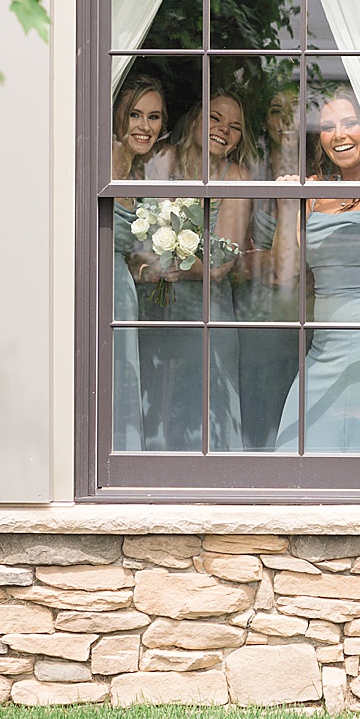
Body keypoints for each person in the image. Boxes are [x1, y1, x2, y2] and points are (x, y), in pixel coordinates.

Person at [272, 86, 360, 453]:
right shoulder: (313, 193)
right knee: (294, 451)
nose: (339, 135)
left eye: (350, 123)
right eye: (327, 126)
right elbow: (284, 273)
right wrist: (287, 206)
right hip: (323, 347)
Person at [136, 90, 257, 451]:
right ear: (195, 120)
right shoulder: (162, 158)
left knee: (207, 405)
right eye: (216, 118)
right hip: (156, 308)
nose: (224, 130)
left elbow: (222, 264)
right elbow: (138, 233)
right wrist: (148, 265)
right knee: (156, 397)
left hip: (208, 310)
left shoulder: (237, 177)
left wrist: (169, 266)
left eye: (235, 127)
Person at [237, 85, 303, 450]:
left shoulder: (319, 172)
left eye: (294, 109)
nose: (286, 119)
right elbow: (236, 252)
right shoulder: (254, 171)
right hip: (256, 303)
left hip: (303, 305)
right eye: (277, 110)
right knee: (257, 394)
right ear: (266, 120)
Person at [109, 75, 166, 451]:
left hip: (125, 292)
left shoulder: (138, 172)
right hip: (100, 288)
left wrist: (148, 269)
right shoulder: (101, 161)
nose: (145, 126)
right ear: (117, 116)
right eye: (135, 115)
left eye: (155, 117)